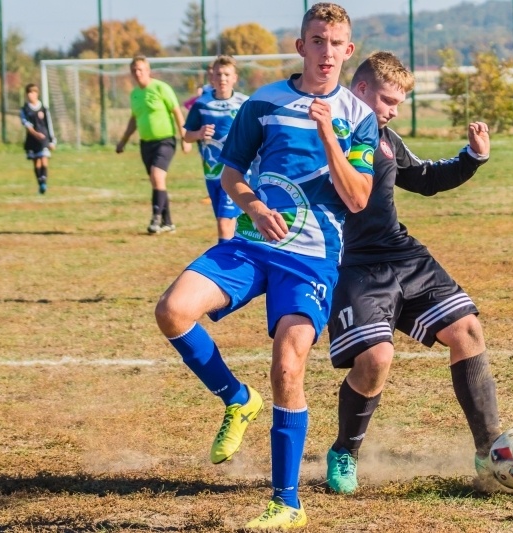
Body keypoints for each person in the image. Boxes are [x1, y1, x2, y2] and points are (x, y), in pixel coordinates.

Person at [154, 3, 377, 530]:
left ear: (349, 51)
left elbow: (359, 197)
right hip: (253, 245)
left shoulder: (358, 117)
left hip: (311, 261)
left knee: (288, 367)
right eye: (316, 40)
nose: (326, 52)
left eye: (336, 42)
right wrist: (252, 205)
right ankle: (237, 399)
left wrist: (328, 135)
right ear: (301, 48)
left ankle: (287, 503)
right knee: (172, 310)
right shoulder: (265, 102)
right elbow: (232, 174)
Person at [323, 51, 501, 495]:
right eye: (387, 100)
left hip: (403, 255)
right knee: (375, 360)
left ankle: (490, 451)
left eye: (398, 104)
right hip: (353, 264)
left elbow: (423, 177)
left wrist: (472, 158)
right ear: (360, 90)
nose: (392, 111)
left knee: (467, 330)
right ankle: (345, 451)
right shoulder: (324, 132)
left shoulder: (385, 138)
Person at [115, 55, 191, 234]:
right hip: (145, 144)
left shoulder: (161, 88)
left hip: (164, 140)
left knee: (157, 177)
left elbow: (176, 112)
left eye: (141, 69)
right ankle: (168, 222)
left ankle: (156, 219)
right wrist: (123, 141)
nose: (137, 73)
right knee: (157, 182)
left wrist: (185, 138)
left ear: (148, 71)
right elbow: (134, 119)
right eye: (134, 70)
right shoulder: (135, 94)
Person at [183, 55, 248, 242]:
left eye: (227, 74)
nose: (223, 79)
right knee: (231, 223)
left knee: (224, 223)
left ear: (235, 77)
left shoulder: (245, 103)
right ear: (212, 78)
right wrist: (199, 133)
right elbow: (187, 135)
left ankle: (223, 266)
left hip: (237, 172)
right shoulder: (202, 105)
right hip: (212, 173)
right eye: (219, 74)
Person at [20, 84, 57, 194]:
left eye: (33, 92)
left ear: (37, 93)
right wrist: (36, 134)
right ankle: (40, 183)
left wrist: (52, 140)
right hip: (32, 139)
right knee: (36, 162)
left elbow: (49, 124)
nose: (31, 95)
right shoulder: (25, 110)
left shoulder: (44, 109)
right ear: (27, 95)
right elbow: (27, 126)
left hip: (44, 138)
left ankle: (44, 182)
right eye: (29, 93)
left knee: (44, 158)